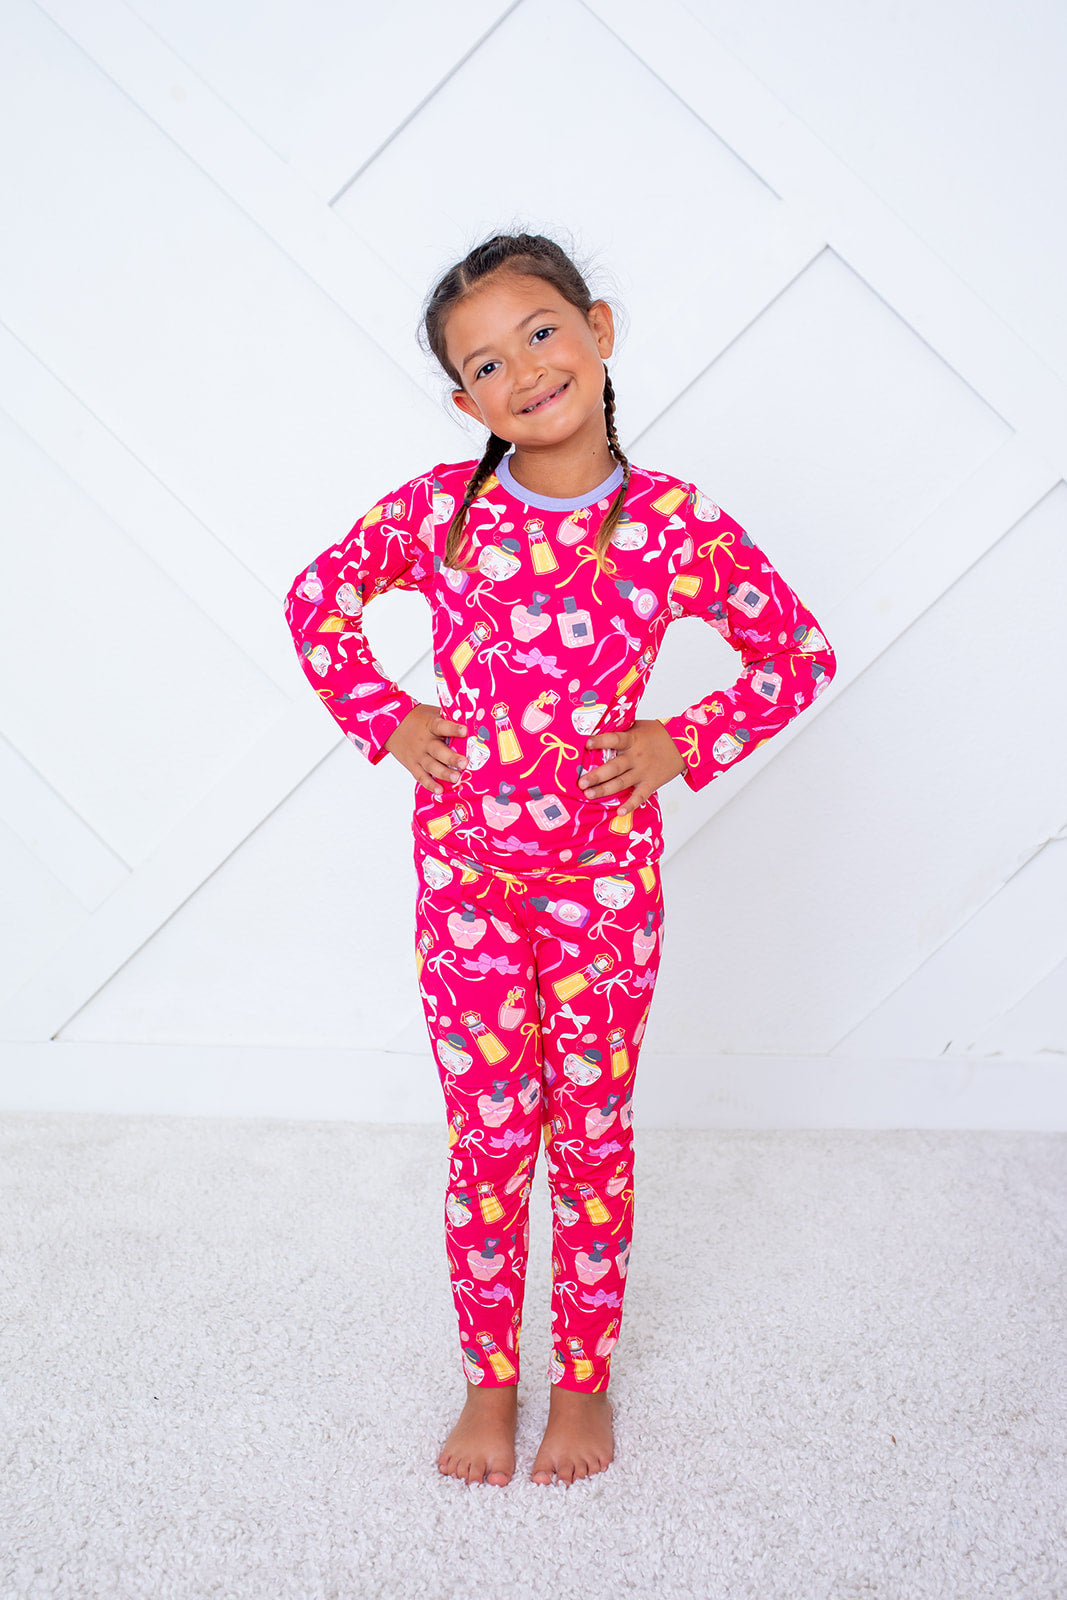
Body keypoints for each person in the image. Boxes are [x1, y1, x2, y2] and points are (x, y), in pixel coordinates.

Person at [283, 230, 836, 1489]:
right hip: (466, 888)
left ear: (597, 329)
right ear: (464, 402)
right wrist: (386, 716)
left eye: (540, 333)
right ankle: (490, 1379)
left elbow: (795, 654)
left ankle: (580, 1380)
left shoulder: (674, 524)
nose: (524, 370)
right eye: (485, 364)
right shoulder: (440, 513)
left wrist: (679, 739)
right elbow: (316, 601)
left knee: (589, 1134)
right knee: (487, 1143)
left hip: (602, 893)